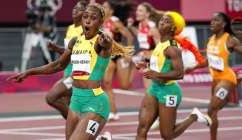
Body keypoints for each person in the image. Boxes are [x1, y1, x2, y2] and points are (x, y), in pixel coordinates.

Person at [8, 3, 130, 139]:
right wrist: (29, 72)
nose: (88, 20)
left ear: (101, 22)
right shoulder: (75, 41)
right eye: (85, 17)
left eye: (93, 18)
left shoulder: (100, 42)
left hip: (95, 103)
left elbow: (107, 42)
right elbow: (58, 65)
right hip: (76, 101)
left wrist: (107, 40)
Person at [135, 11, 212, 140]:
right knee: (142, 129)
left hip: (169, 91)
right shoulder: (160, 43)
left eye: (167, 21)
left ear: (173, 28)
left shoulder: (172, 49)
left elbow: (179, 73)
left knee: (167, 135)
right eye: (162, 20)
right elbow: (160, 65)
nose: (162, 22)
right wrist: (146, 66)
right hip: (154, 88)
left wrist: (156, 74)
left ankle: (194, 117)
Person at [45, 0, 88, 119]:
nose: (75, 11)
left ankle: (80, 126)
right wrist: (55, 48)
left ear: (84, 13)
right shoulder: (70, 28)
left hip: (77, 73)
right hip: (67, 70)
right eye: (74, 8)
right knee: (69, 104)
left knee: (52, 97)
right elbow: (68, 52)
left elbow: (79, 53)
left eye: (79, 9)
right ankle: (80, 130)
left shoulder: (84, 31)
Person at [205, 12, 242, 140]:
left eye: (216, 20)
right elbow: (208, 60)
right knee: (213, 112)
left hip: (227, 79)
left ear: (223, 24)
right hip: (215, 80)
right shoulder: (210, 40)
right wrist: (191, 67)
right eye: (211, 20)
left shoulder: (230, 40)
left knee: (211, 109)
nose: (212, 22)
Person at [102, 0, 135, 121]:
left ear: (111, 10)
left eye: (105, 7)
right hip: (107, 56)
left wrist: (129, 54)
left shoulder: (115, 21)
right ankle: (112, 111)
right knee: (106, 84)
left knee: (125, 86)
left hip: (119, 55)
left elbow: (129, 36)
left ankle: (133, 66)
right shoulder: (100, 22)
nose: (102, 8)